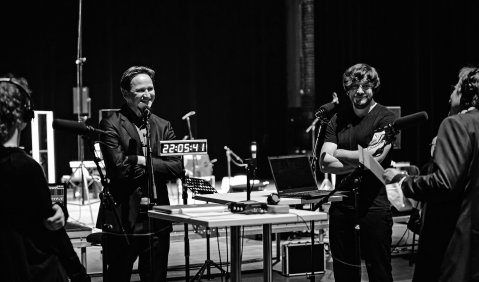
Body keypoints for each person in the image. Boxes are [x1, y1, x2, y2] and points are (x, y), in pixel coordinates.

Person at [384, 66, 479, 281]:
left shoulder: (456, 124)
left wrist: (403, 180)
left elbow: (445, 182)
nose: (449, 94)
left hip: (451, 242)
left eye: (455, 88)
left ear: (466, 93)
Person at [97, 66, 183, 282]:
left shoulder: (163, 126)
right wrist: (156, 166)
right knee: (117, 275)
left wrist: (142, 160)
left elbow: (177, 168)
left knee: (156, 277)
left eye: (151, 88)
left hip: (158, 217)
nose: (148, 94)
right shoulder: (111, 123)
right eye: (140, 90)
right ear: (126, 94)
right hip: (123, 217)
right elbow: (119, 170)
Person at [0, 76, 90, 282]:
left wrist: (58, 210)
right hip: (33, 270)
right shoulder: (25, 166)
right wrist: (78, 275)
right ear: (24, 116)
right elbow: (52, 229)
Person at [319, 63, 396, 282]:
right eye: (354, 86)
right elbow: (324, 163)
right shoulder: (337, 119)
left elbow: (376, 158)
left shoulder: (385, 118)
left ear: (374, 87)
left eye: (365, 85)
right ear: (347, 89)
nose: (359, 91)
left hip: (374, 205)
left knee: (379, 272)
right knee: (344, 275)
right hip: (342, 205)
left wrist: (340, 151)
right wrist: (361, 160)